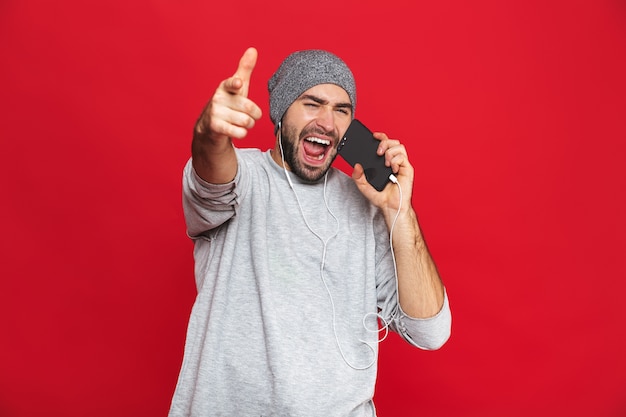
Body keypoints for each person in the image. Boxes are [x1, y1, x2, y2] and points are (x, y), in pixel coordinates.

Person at [169, 47, 451, 417]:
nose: (328, 123)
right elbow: (211, 174)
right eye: (312, 103)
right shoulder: (244, 179)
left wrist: (400, 211)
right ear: (281, 112)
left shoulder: (366, 204)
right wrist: (210, 133)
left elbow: (430, 332)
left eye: (341, 110)